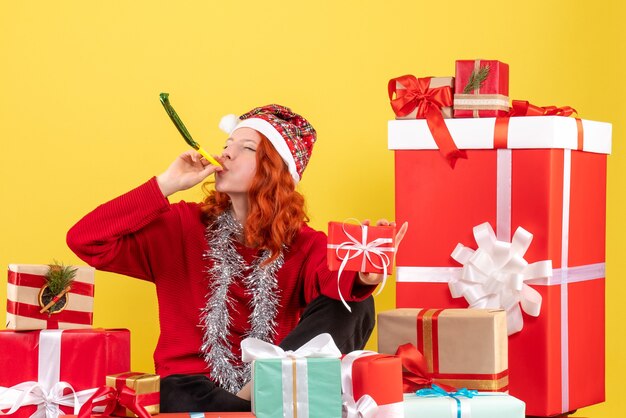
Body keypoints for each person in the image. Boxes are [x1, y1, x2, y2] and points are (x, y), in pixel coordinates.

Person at [66, 104, 407, 412]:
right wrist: (167, 183)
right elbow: (86, 240)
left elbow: (339, 283)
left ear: (276, 171)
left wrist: (366, 273)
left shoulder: (305, 243)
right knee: (175, 392)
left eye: (245, 148)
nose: (225, 154)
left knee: (355, 303)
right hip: (192, 387)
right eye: (227, 145)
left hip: (271, 381)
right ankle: (255, 399)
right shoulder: (180, 225)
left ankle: (263, 386)